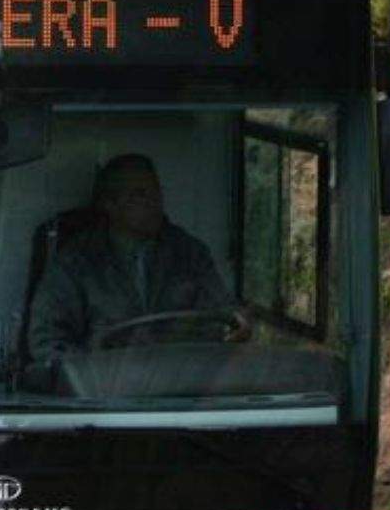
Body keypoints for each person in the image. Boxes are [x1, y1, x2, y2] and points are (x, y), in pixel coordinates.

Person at [26, 153, 245, 362]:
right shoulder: (75, 264)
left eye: (156, 192)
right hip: (106, 393)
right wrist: (89, 376)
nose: (153, 202)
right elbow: (47, 341)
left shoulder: (189, 253)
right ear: (110, 205)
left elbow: (222, 313)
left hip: (182, 386)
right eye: (139, 195)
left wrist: (236, 322)